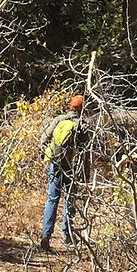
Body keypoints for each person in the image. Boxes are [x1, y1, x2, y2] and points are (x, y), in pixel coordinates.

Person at [39, 94, 85, 251]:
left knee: (52, 200)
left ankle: (46, 235)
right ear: (81, 109)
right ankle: (67, 235)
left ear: (70, 106)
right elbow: (84, 152)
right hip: (72, 168)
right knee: (69, 200)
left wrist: (49, 154)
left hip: (56, 165)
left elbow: (43, 138)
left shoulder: (59, 120)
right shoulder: (82, 125)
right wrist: (85, 174)